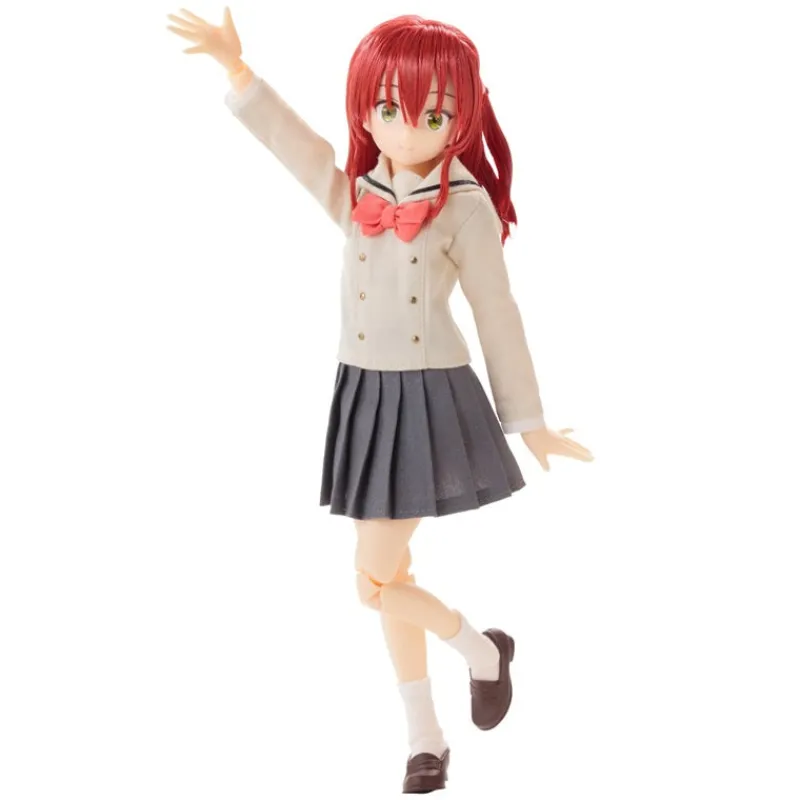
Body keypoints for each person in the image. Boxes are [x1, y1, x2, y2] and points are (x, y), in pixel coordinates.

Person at [167, 7, 594, 793]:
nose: (406, 129)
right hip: (363, 393)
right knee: (390, 575)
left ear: (461, 119)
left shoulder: (464, 206)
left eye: (434, 114)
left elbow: (497, 313)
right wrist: (239, 72)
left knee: (372, 582)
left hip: (429, 401)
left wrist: (528, 420)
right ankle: (426, 736)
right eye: (389, 108)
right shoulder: (359, 192)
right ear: (365, 109)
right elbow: (297, 151)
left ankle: (481, 652)